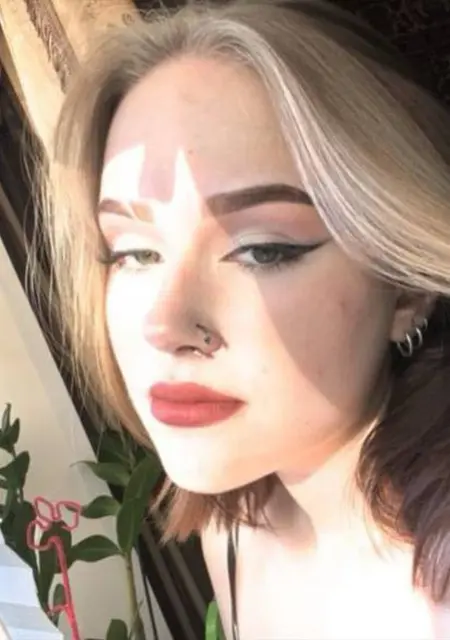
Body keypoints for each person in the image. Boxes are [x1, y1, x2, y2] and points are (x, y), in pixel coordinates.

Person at [38, 0, 450, 637]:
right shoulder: (233, 534)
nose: (163, 324)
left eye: (262, 249)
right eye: (135, 253)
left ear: (404, 290)